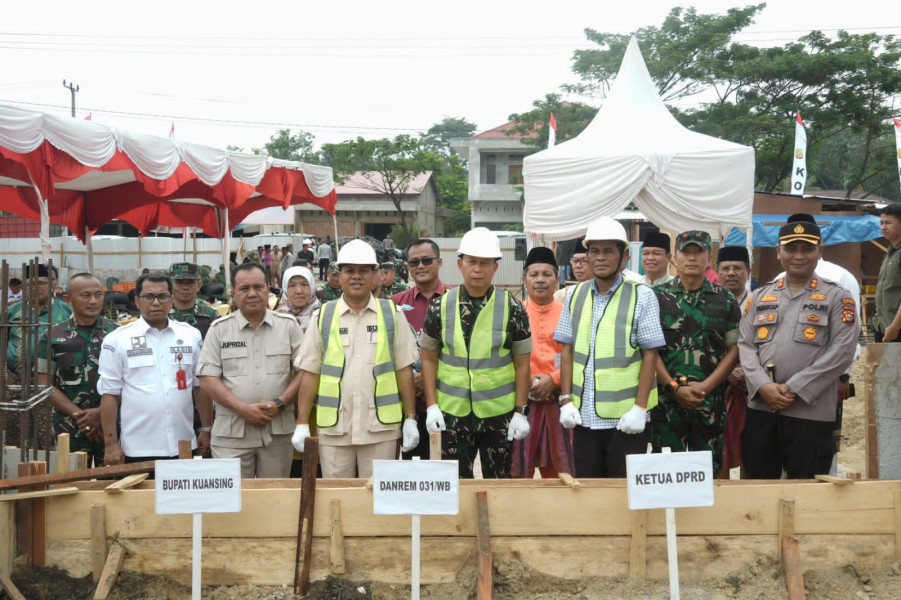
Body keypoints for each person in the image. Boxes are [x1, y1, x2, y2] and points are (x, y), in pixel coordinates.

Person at [738, 220, 858, 479]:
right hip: (762, 408)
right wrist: (763, 386)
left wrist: (794, 388)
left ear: (820, 250)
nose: (799, 256)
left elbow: (842, 351)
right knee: (759, 487)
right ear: (778, 251)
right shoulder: (760, 296)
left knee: (807, 491)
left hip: (810, 412)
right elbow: (745, 344)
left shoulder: (838, 297)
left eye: (807, 248)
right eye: (791, 249)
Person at [292, 240, 420, 478]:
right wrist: (301, 423)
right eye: (349, 270)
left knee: (377, 504)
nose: (356, 276)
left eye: (363, 270)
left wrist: (410, 418)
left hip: (381, 429)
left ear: (375, 276)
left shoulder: (392, 315)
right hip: (335, 431)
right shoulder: (323, 317)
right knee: (337, 503)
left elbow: (404, 370)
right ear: (338, 276)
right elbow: (310, 373)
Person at [554, 217, 664, 478]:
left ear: (624, 257)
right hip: (583, 417)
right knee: (588, 493)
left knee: (622, 495)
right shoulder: (574, 294)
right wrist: (565, 399)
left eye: (608, 251)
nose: (600, 257)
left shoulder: (642, 295)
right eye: (594, 251)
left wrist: (639, 409)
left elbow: (651, 354)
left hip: (626, 420)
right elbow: (566, 349)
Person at [421, 227, 532, 479]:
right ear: (460, 264)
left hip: (499, 415)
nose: (478, 269)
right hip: (452, 413)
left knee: (500, 484)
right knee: (455, 486)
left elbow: (523, 364)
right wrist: (431, 406)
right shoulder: (439, 307)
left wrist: (520, 411)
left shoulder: (513, 308)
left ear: (496, 267)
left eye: (485, 263)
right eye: (472, 262)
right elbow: (428, 359)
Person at [197, 263, 305, 478]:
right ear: (233, 293)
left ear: (268, 290)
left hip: (277, 432)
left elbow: (305, 372)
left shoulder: (288, 326)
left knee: (273, 500)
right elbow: (208, 379)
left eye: (258, 287)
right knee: (233, 504)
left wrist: (280, 403)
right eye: (244, 288)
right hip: (231, 435)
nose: (252, 293)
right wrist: (242, 409)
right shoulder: (220, 329)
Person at [98, 272, 211, 464]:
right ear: (137, 301)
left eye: (162, 296)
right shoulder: (117, 340)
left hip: (182, 443)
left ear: (172, 300)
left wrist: (207, 429)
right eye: (149, 297)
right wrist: (110, 445)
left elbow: (200, 386)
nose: (156, 303)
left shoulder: (191, 335)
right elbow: (109, 394)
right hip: (137, 447)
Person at [652, 231, 741, 475]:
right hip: (667, 402)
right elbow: (649, 351)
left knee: (707, 473)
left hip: (710, 402)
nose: (692, 258)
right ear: (674, 257)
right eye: (685, 252)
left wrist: (706, 387)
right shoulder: (657, 298)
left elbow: (734, 350)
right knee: (667, 473)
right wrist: (673, 387)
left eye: (698, 252)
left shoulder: (725, 300)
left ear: (709, 258)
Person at [36, 273, 118, 467]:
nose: (93, 301)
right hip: (69, 426)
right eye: (85, 295)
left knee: (113, 483)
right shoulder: (52, 335)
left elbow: (130, 381)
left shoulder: (118, 334)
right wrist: (80, 416)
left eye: (98, 294)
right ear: (68, 299)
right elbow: (44, 384)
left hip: (111, 427)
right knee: (69, 482)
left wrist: (99, 413)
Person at [512, 247, 573, 478]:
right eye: (534, 274)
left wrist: (553, 379)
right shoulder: (513, 313)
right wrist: (527, 380)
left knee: (560, 472)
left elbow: (577, 356)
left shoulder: (569, 313)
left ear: (557, 280)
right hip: (521, 404)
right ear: (524, 280)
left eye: (547, 274)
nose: (540, 280)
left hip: (558, 402)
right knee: (519, 471)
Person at [392, 238, 451, 460]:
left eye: (427, 260)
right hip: (410, 406)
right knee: (415, 476)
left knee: (449, 475)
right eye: (414, 262)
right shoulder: (395, 305)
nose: (421, 266)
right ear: (407, 267)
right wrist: (410, 378)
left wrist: (427, 375)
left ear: (440, 262)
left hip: (449, 404)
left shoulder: (455, 300)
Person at [715, 246, 751, 476]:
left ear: (748, 271)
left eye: (737, 268)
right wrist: (728, 371)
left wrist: (746, 371)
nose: (731, 273)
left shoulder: (762, 302)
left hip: (752, 385)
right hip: (716, 384)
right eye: (725, 268)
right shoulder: (708, 302)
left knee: (750, 448)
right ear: (716, 271)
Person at [7, 263, 73, 373]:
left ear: (51, 285)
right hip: (16, 380)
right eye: (29, 284)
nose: (34, 288)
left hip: (56, 378)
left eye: (40, 283)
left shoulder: (66, 310)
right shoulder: (12, 311)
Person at [168, 262, 220, 339]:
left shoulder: (211, 316)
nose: (185, 287)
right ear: (170, 285)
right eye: (179, 282)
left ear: (199, 285)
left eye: (190, 282)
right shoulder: (161, 316)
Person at [873, 203, 901, 342]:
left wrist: (895, 326)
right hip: (882, 325)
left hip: (896, 328)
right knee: (881, 364)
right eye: (881, 223)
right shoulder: (890, 252)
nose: (883, 227)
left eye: (888, 223)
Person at [278, 266, 320, 332]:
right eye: (292, 285)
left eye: (304, 285)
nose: (299, 291)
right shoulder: (277, 318)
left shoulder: (323, 317)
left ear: (312, 288)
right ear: (285, 289)